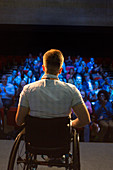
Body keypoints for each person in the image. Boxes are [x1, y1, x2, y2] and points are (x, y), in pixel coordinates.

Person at [15, 49, 90, 131]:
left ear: (43, 68)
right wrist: (69, 124)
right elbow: (85, 120)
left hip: (35, 140)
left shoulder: (27, 89)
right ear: (60, 70)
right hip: (61, 140)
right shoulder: (72, 90)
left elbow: (19, 121)